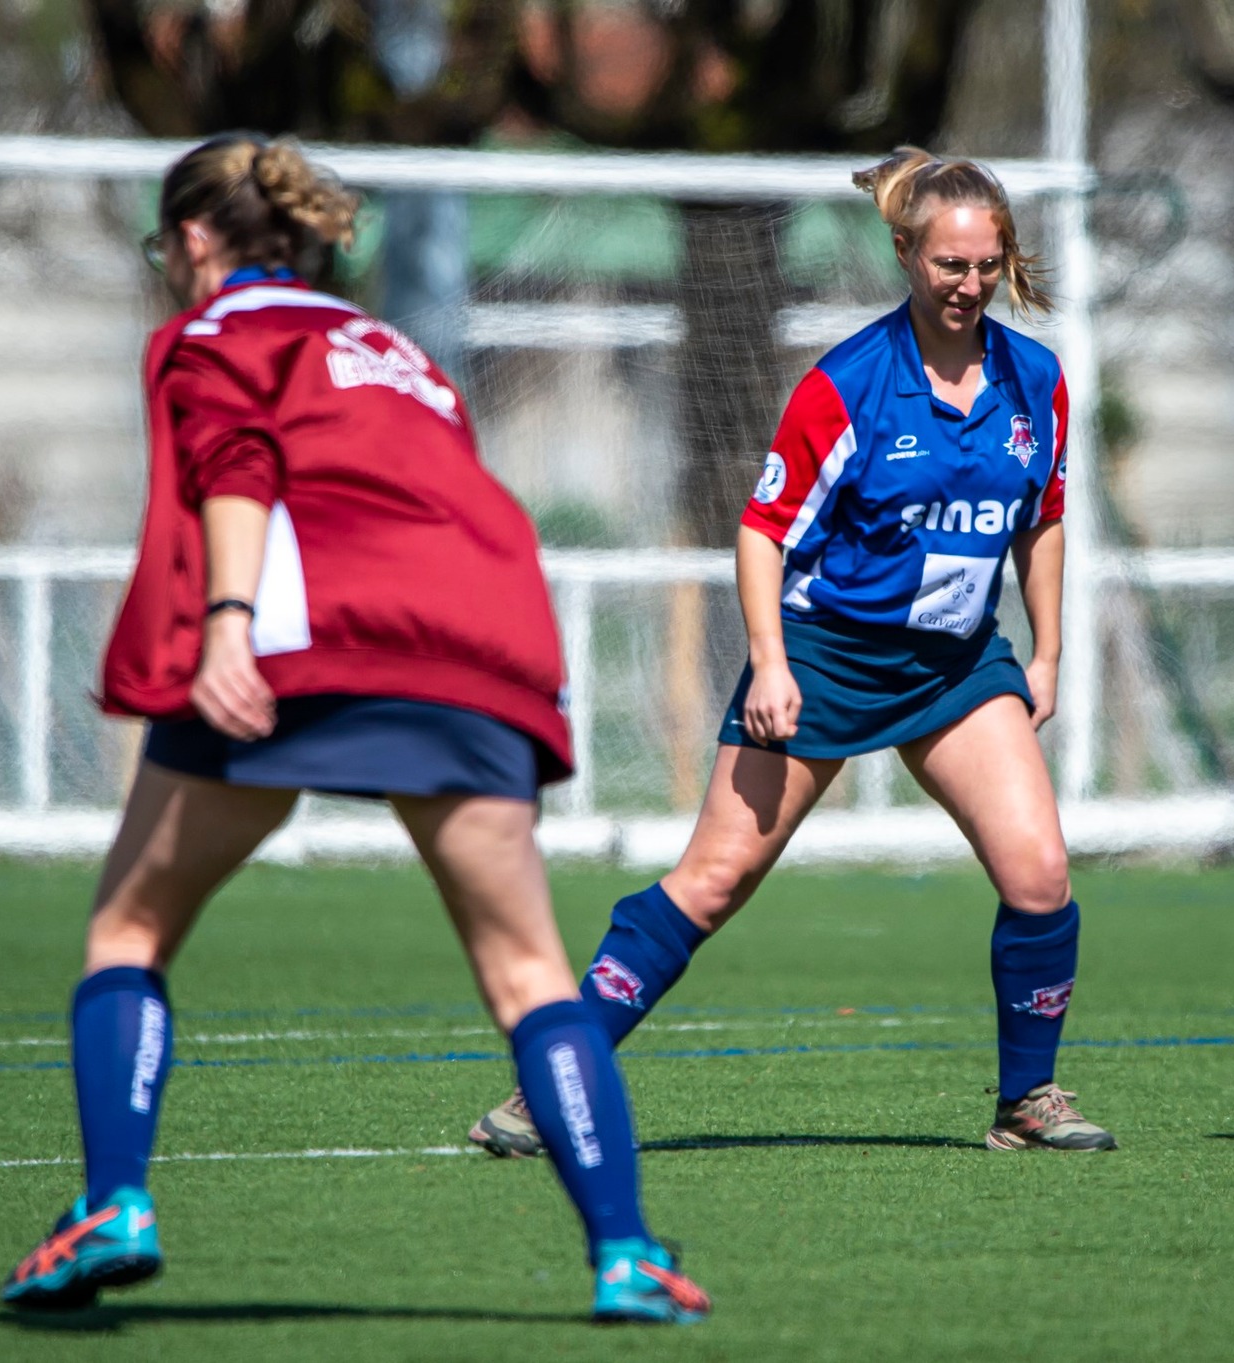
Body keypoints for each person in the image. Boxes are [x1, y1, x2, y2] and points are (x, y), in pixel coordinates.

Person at [0, 134, 709, 1325]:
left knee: (129, 923)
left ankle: (114, 1202)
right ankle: (626, 1253)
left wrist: (227, 621)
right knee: (532, 971)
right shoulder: (395, 352)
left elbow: (235, 464)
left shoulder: (214, 334)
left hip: (302, 648)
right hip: (476, 651)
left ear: (191, 240)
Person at [470, 146, 1114, 1158]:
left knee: (1038, 872)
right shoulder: (847, 384)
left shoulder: (1035, 381)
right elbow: (761, 529)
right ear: (904, 254)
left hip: (955, 667)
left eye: (984, 265)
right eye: (948, 264)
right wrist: (770, 663)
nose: (968, 284)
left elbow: (1044, 521)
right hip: (823, 656)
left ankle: (1025, 1102)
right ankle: (548, 1083)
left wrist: (1045, 655)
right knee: (711, 883)